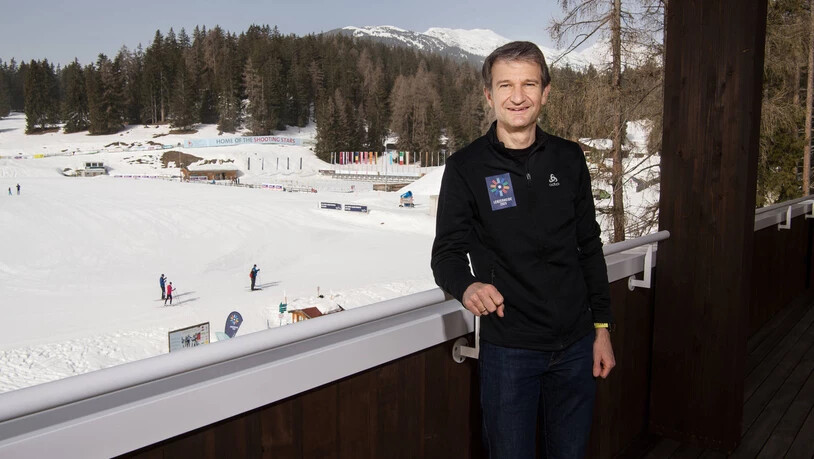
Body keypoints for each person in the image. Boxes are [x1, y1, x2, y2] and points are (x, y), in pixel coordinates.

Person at [430, 41, 615, 458]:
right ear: (489, 94)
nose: (517, 96)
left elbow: (589, 247)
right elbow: (446, 255)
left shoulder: (569, 158)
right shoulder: (466, 167)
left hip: (576, 346)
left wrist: (601, 330)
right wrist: (468, 287)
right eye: (505, 85)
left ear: (545, 92)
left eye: (529, 84)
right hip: (509, 349)